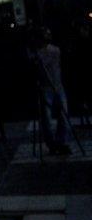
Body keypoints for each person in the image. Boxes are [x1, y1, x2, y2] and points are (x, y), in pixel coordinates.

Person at [28, 27, 72, 155]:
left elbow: (47, 63)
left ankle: (60, 142)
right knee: (46, 118)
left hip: (57, 86)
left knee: (63, 115)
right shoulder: (39, 52)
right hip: (45, 87)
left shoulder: (54, 51)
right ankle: (53, 143)